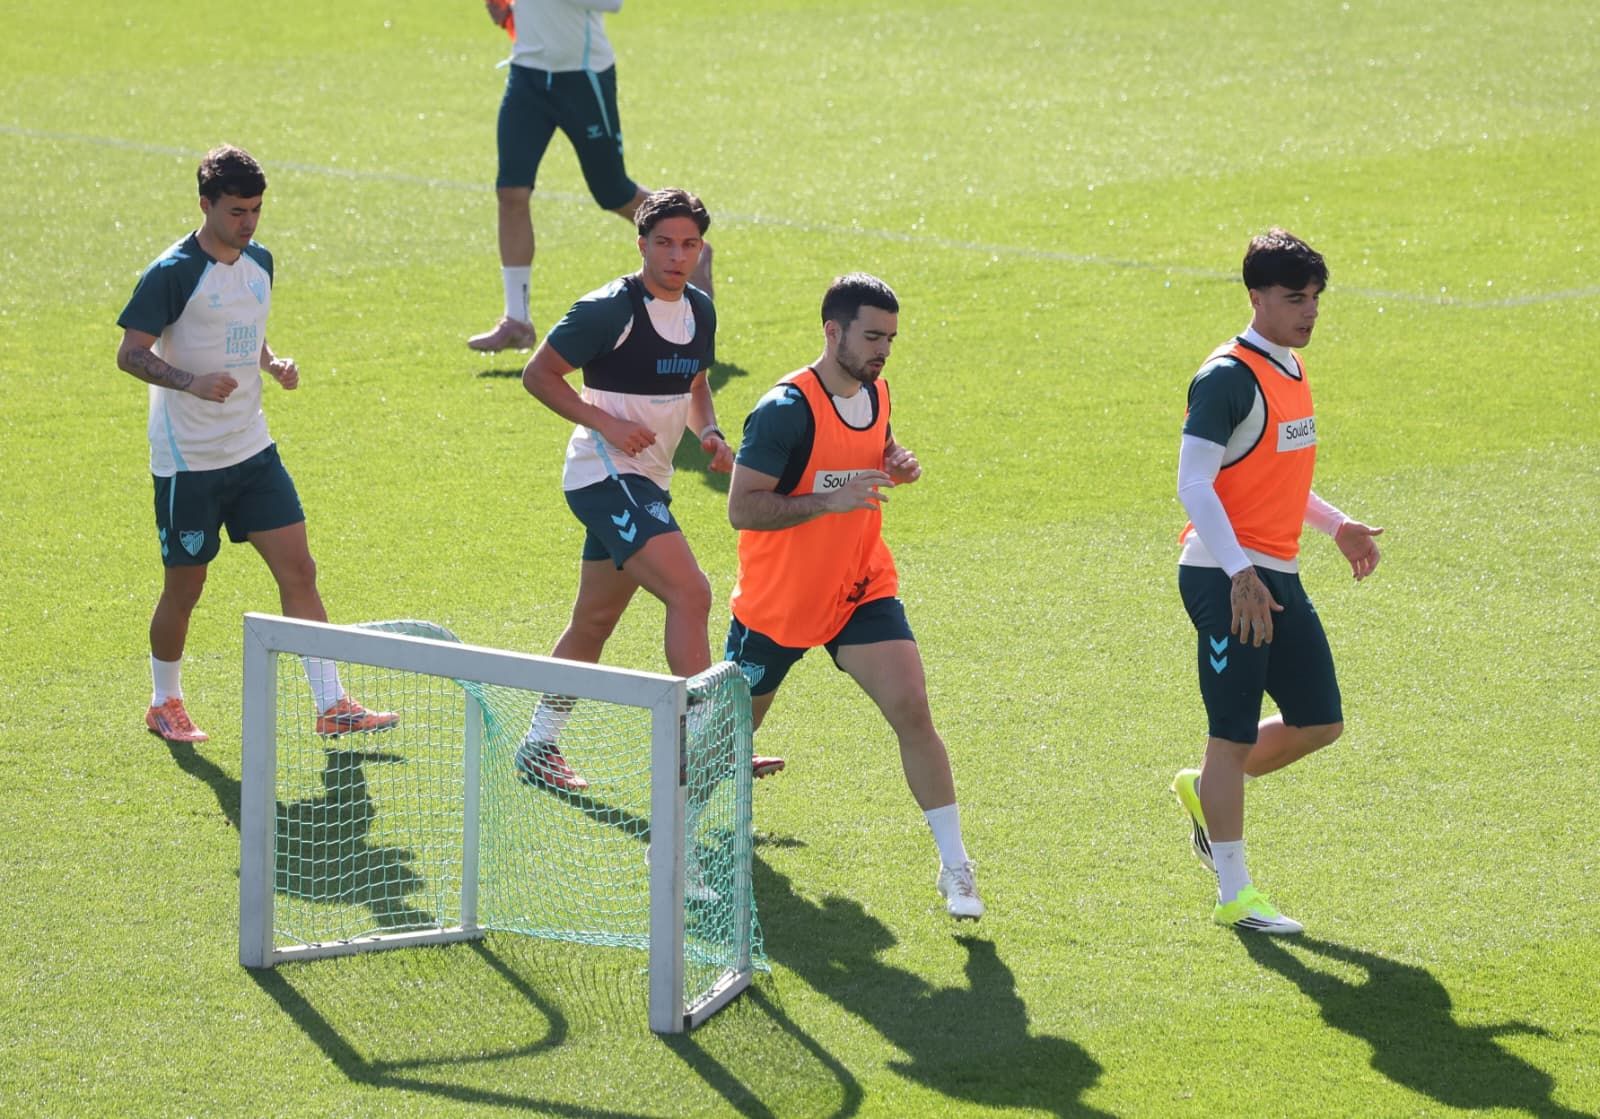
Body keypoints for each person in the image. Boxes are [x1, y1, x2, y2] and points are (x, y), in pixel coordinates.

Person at [116, 145, 398, 745]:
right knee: (185, 587)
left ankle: (332, 703)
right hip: (190, 462)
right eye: (237, 211)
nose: (248, 223)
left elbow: (246, 327)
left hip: (252, 450)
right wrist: (191, 381)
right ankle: (165, 700)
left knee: (300, 568)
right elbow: (131, 353)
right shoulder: (171, 271)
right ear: (206, 205)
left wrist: (270, 362)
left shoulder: (261, 261)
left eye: (257, 211)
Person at [723, 273, 984, 920]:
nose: (883, 350)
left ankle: (956, 867)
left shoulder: (877, 392)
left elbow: (872, 445)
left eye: (890, 338)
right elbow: (741, 507)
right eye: (872, 336)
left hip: (859, 588)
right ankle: (678, 845)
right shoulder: (784, 410)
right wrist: (827, 501)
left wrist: (895, 460)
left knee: (913, 710)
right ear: (832, 330)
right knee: (723, 742)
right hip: (779, 604)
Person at [516, 187, 780, 790]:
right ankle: (703, 743)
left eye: (688, 244)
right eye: (664, 242)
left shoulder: (699, 310)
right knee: (691, 591)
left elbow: (694, 384)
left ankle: (538, 745)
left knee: (593, 622)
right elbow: (539, 374)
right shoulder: (608, 309)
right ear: (642, 244)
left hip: (648, 482)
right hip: (603, 475)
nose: (676, 255)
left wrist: (708, 431)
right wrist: (605, 421)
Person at [1170, 229, 1383, 934]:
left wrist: (1336, 524)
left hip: (1274, 571)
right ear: (1256, 296)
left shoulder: (1288, 367)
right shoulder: (1227, 377)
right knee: (1228, 734)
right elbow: (1193, 484)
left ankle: (1206, 793)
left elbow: (1274, 473)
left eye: (1316, 297)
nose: (1310, 310)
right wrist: (1239, 573)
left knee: (1320, 719)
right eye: (1295, 298)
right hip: (1224, 573)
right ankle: (1236, 891)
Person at [468, 0, 712, 354]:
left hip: (582, 77)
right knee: (511, 193)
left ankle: (689, 242)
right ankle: (516, 319)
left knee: (612, 192)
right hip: (526, 75)